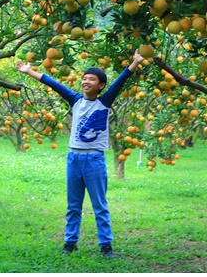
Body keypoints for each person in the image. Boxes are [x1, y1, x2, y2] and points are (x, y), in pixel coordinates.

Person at [16, 51, 145, 259]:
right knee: (73, 205)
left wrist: (135, 63)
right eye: (84, 78)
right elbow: (54, 84)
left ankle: (106, 245)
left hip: (94, 158)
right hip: (74, 158)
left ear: (100, 85)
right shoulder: (75, 101)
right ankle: (70, 243)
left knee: (99, 205)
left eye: (91, 79)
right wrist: (29, 71)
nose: (86, 81)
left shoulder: (104, 102)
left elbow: (120, 82)